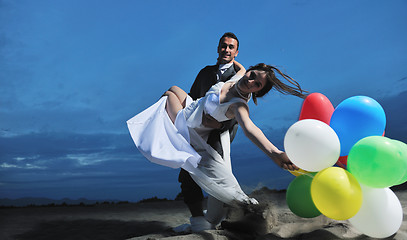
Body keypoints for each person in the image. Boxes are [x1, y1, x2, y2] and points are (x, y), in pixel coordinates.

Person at [127, 62, 308, 231]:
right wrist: (236, 61)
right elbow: (241, 69)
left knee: (168, 96)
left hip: (187, 123)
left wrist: (275, 153)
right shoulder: (239, 77)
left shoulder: (239, 105)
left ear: (257, 92)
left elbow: (250, 129)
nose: (250, 81)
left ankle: (250, 208)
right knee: (173, 88)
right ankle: (164, 127)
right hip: (194, 107)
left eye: (257, 84)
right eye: (252, 74)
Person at [179, 32, 242, 227]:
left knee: (219, 172)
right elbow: (192, 96)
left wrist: (220, 125)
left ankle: (229, 216)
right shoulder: (205, 72)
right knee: (187, 170)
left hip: (221, 132)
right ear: (218, 48)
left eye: (231, 47)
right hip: (197, 128)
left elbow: (239, 109)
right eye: (224, 45)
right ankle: (198, 219)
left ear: (236, 52)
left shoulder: (240, 78)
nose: (227, 49)